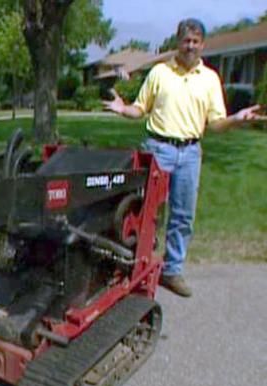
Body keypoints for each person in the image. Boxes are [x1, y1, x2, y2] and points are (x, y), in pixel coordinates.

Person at [104, 18, 262, 297]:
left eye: (195, 41)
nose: (190, 46)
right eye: (186, 40)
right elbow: (141, 109)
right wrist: (123, 108)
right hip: (158, 149)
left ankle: (172, 271)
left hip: (190, 153)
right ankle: (134, 264)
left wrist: (236, 119)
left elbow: (215, 123)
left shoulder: (211, 79)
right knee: (146, 211)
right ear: (177, 42)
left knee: (183, 215)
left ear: (202, 45)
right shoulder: (160, 73)